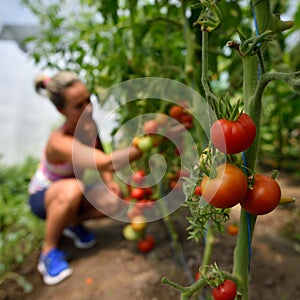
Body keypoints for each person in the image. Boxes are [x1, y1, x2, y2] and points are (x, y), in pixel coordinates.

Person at [28, 71, 143, 285]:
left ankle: (70, 223)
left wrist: (109, 182)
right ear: (60, 110)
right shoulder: (58, 141)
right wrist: (142, 147)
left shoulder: (89, 127)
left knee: (113, 201)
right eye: (78, 106)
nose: (88, 108)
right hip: (45, 197)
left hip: (75, 190)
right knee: (73, 188)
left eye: (88, 100)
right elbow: (105, 162)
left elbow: (101, 160)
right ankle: (48, 252)